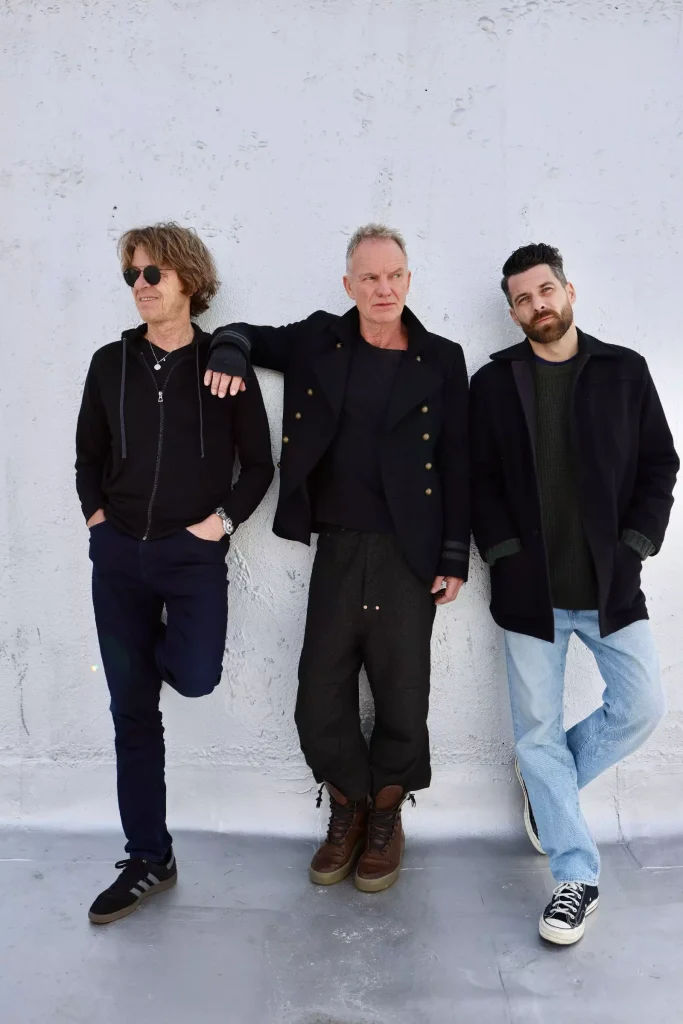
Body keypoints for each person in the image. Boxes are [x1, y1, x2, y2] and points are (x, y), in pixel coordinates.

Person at [204, 224, 469, 892]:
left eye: (394, 276)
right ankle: (348, 805)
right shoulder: (319, 337)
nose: (383, 289)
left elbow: (461, 461)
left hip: (410, 552)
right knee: (318, 697)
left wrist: (452, 554)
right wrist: (231, 353)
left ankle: (385, 816)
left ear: (408, 280)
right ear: (348, 284)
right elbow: (240, 332)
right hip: (339, 544)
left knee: (403, 695)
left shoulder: (440, 357)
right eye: (369, 278)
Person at [470, 243, 678, 944]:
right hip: (529, 597)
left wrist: (634, 548)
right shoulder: (494, 383)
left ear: (569, 291)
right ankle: (575, 876)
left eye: (545, 290)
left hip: (610, 585)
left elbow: (659, 463)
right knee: (534, 732)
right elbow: (478, 484)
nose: (538, 305)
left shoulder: (623, 370)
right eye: (523, 298)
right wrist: (503, 557)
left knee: (642, 706)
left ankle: (544, 783)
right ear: (511, 311)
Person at [75, 222, 273, 924]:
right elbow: (87, 455)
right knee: (132, 712)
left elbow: (259, 466)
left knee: (194, 676)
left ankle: (136, 663)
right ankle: (148, 856)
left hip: (191, 557)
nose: (139, 287)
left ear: (186, 279)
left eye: (150, 274)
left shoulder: (222, 367)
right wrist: (97, 519)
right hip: (119, 555)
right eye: (130, 275)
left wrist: (218, 524)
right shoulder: (109, 363)